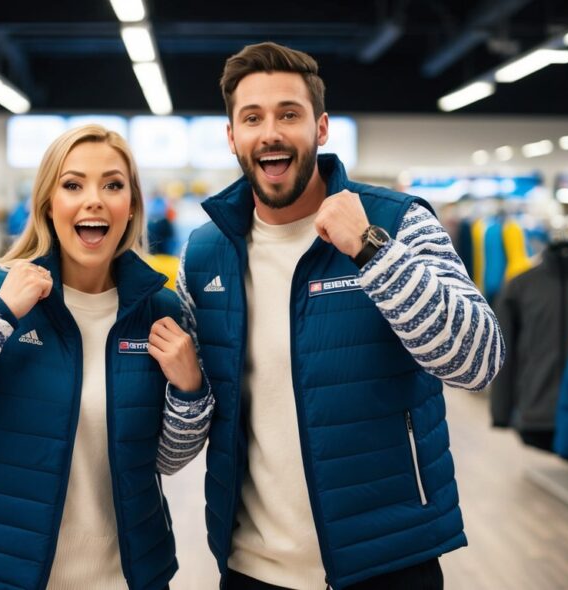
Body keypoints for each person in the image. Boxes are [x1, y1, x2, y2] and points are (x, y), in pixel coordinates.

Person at [177, 42, 505, 589]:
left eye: (289, 114)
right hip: (249, 569)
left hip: (388, 560)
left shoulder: (398, 223)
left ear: (321, 128)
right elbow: (187, 430)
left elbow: (479, 363)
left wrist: (372, 251)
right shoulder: (205, 252)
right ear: (232, 137)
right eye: (252, 118)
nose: (271, 132)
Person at [0, 124, 214, 590]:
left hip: (128, 576)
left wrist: (189, 390)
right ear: (47, 204)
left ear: (131, 205)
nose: (94, 200)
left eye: (112, 185)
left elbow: (166, 460)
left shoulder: (163, 311)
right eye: (73, 184)